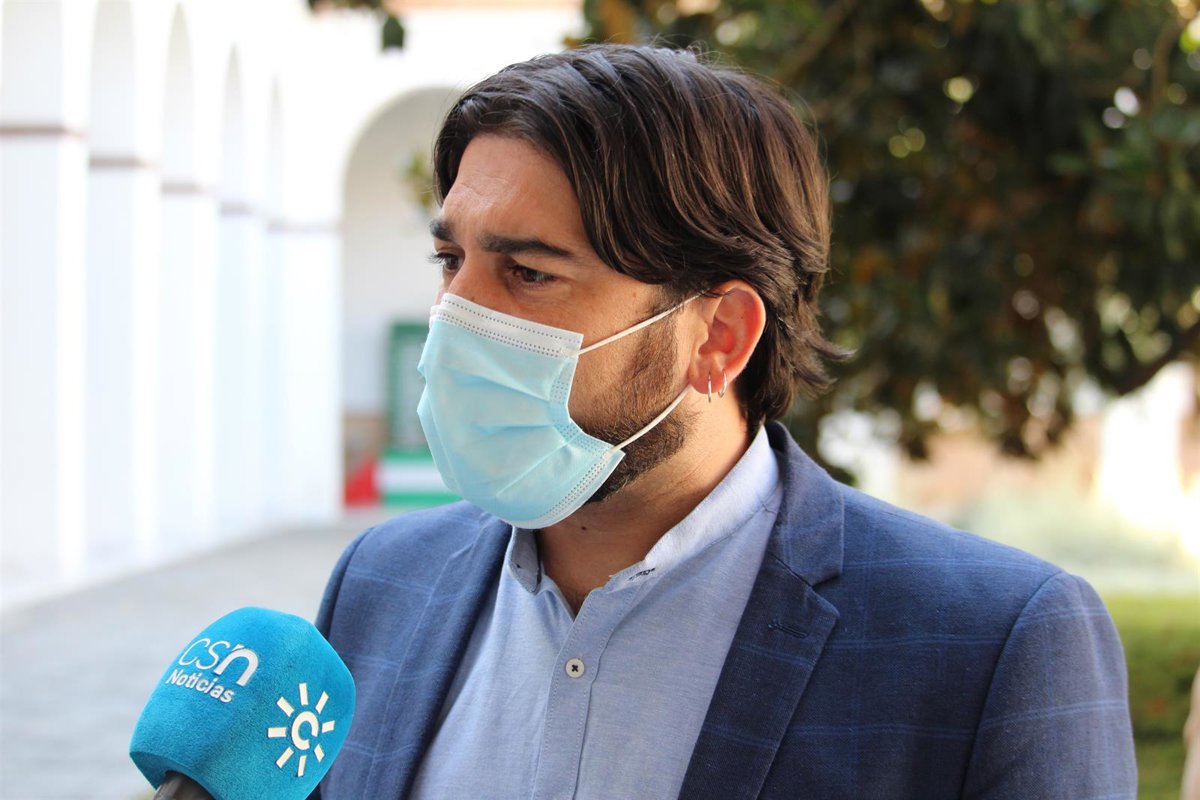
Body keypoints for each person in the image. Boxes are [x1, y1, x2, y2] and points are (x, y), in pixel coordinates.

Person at [313, 44, 1136, 798]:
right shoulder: (380, 585)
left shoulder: (991, 647)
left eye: (528, 273)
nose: (454, 319)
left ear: (720, 337)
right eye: (451, 261)